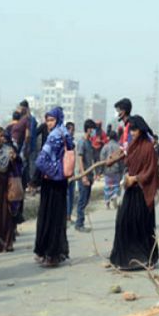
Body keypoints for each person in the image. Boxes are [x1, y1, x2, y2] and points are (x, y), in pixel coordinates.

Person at [110, 115, 159, 270]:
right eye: (130, 129)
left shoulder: (148, 147)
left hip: (143, 191)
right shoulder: (132, 145)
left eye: (135, 129)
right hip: (130, 191)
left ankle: (147, 259)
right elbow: (128, 161)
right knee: (123, 222)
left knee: (143, 226)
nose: (132, 132)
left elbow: (151, 170)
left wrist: (136, 178)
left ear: (141, 129)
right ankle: (124, 260)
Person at [33, 107, 74, 267]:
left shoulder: (54, 136)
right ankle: (55, 253)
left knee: (47, 217)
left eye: (52, 120)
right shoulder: (66, 133)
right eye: (47, 120)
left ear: (57, 119)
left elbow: (41, 160)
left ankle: (48, 253)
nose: (49, 123)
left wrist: (52, 172)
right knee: (58, 217)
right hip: (62, 181)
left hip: (51, 182)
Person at [74, 119, 97, 232]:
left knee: (86, 200)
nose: (94, 132)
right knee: (82, 200)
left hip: (90, 175)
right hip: (84, 176)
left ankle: (79, 222)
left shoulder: (89, 142)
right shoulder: (82, 142)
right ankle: (79, 224)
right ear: (89, 129)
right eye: (93, 130)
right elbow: (80, 159)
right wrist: (83, 176)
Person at [101, 129, 124, 208]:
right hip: (116, 170)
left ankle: (107, 203)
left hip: (107, 171)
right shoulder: (119, 147)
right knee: (116, 185)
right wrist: (122, 170)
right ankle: (114, 196)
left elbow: (102, 158)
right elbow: (121, 160)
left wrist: (101, 170)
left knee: (107, 186)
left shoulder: (105, 147)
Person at [64, 121, 76, 220]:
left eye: (73, 130)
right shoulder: (64, 142)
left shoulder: (72, 142)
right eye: (70, 130)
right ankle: (66, 216)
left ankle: (68, 215)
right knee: (68, 195)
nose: (72, 132)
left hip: (72, 172)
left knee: (71, 195)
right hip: (66, 173)